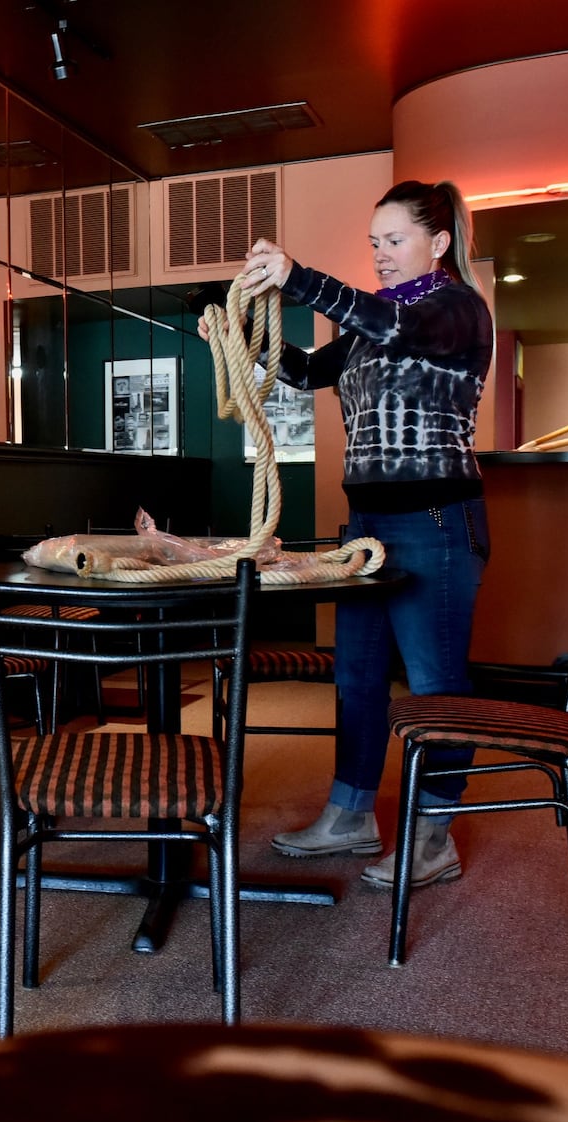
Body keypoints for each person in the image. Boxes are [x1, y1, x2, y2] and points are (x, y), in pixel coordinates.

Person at [199, 179, 493, 889]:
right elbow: (299, 371)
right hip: (365, 526)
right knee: (357, 676)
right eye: (375, 244)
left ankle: (433, 834)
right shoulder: (370, 318)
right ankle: (351, 812)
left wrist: (299, 277)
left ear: (438, 243)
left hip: (435, 524)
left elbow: (394, 327)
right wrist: (233, 335)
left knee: (433, 685)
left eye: (394, 241)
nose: (382, 255)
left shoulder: (457, 310)